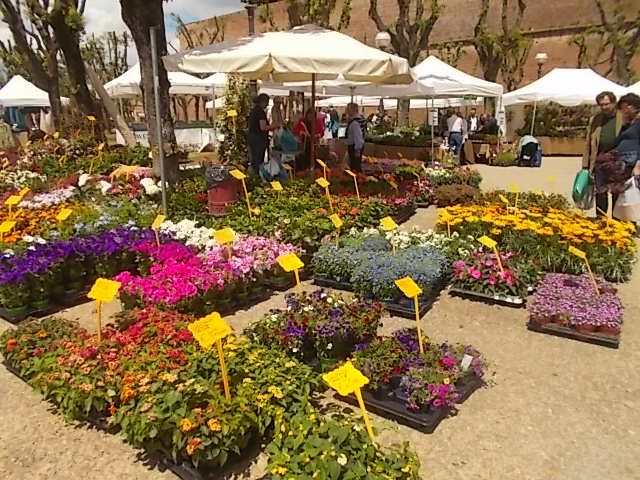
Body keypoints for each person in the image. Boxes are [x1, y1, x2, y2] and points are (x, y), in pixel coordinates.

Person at [583, 91, 623, 216]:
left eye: (607, 104)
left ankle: (617, 221)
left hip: (618, 160)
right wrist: (585, 165)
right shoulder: (596, 119)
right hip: (600, 159)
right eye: (601, 105)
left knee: (617, 192)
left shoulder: (623, 118)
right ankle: (601, 219)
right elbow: (588, 142)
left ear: (614, 103)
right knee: (600, 192)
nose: (604, 107)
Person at [248, 93, 280, 174]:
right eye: (267, 102)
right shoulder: (260, 112)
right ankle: (257, 175)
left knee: (254, 159)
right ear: (263, 102)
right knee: (258, 160)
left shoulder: (254, 110)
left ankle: (254, 175)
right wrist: (274, 126)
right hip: (259, 139)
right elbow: (263, 127)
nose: (267, 104)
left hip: (253, 138)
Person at [346, 102, 366, 172]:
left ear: (353, 110)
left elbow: (358, 136)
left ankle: (357, 178)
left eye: (348, 109)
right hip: (357, 146)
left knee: (355, 167)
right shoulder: (361, 119)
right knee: (356, 165)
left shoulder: (355, 122)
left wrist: (357, 150)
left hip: (355, 147)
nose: (347, 111)